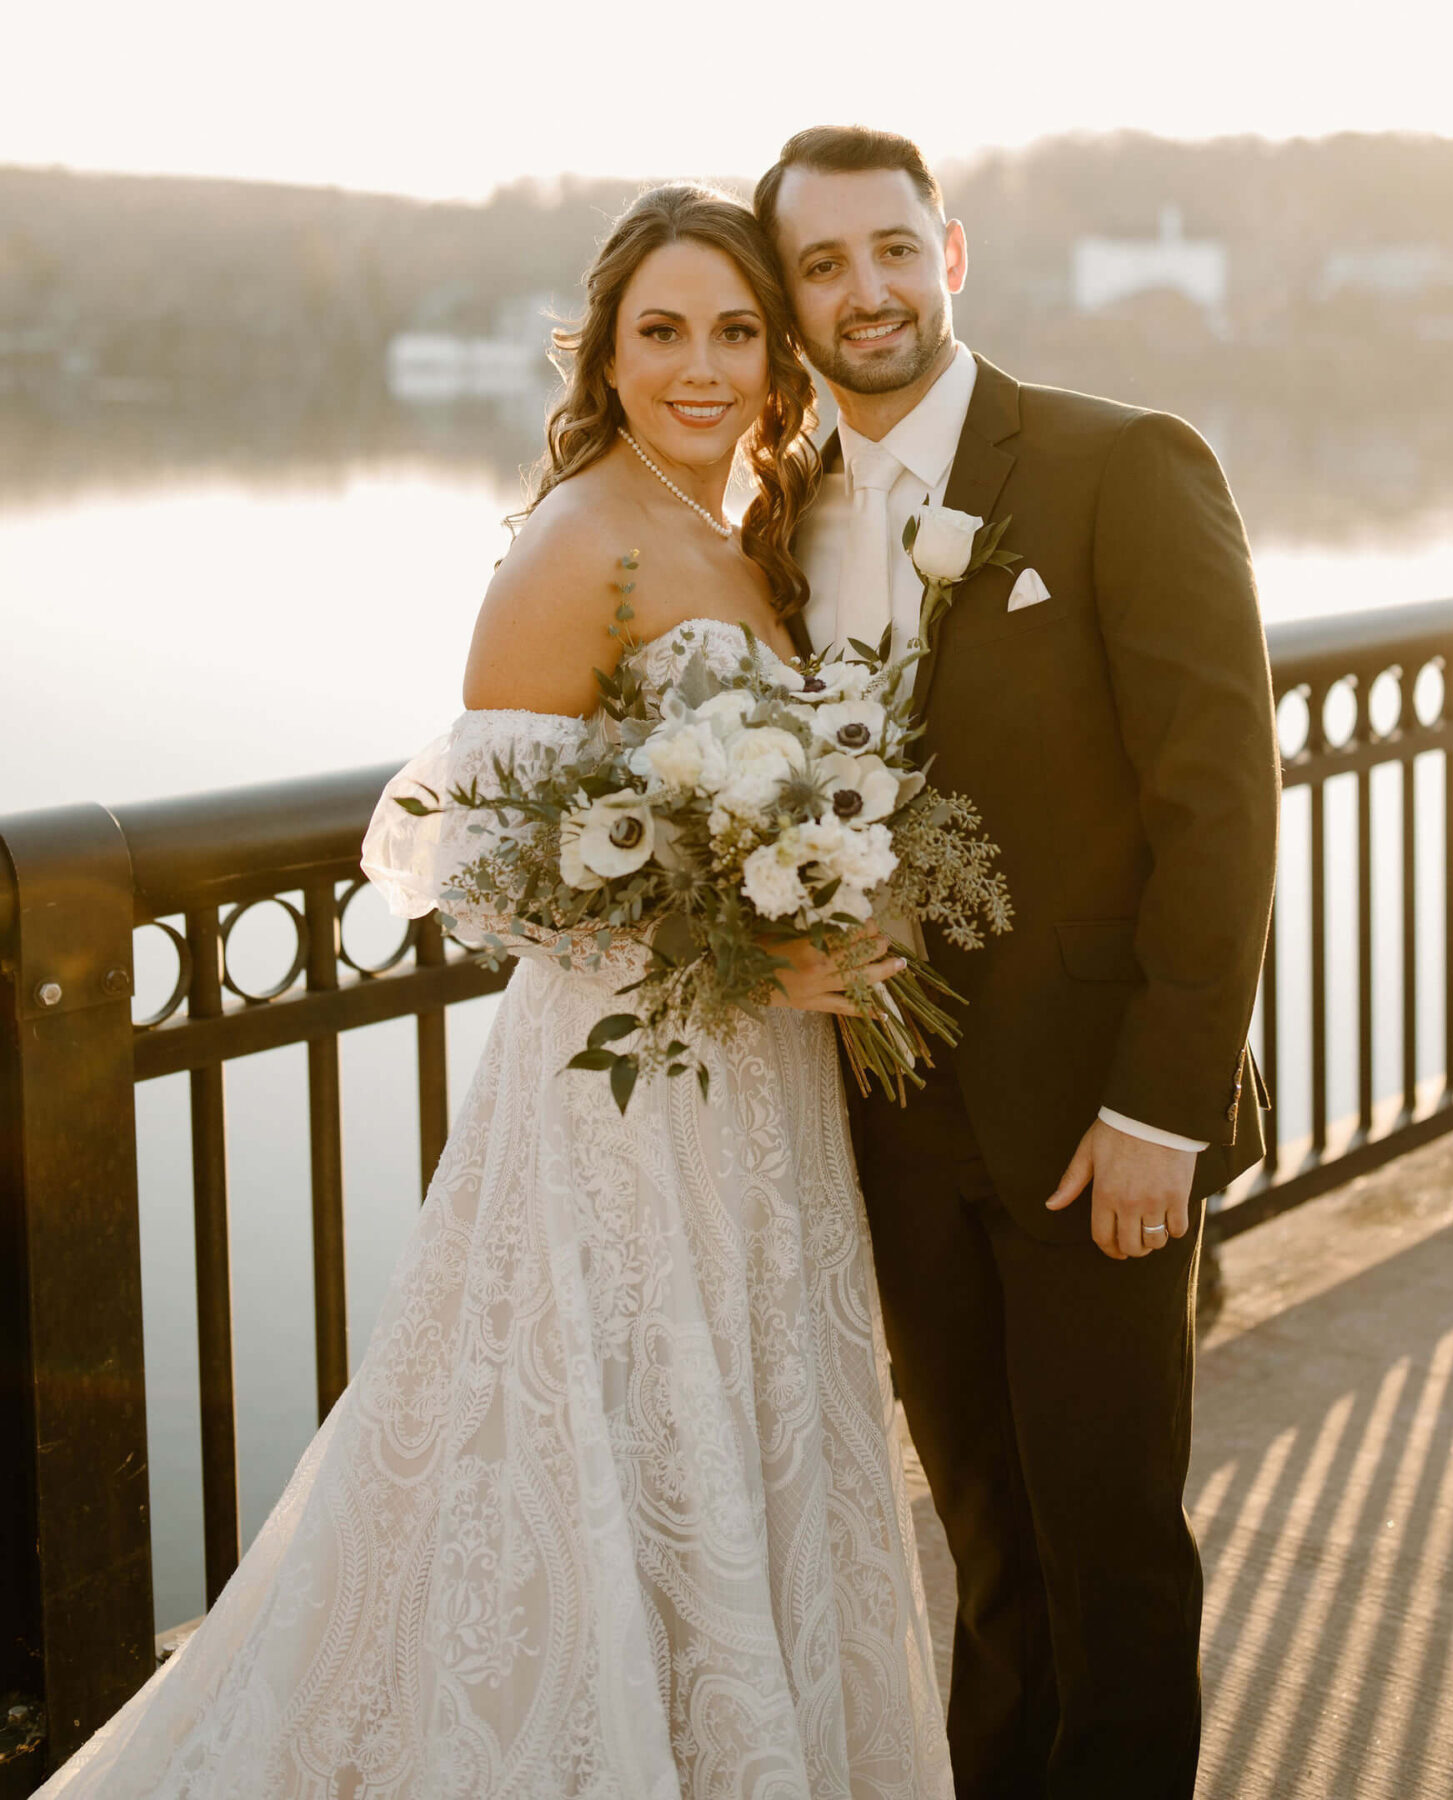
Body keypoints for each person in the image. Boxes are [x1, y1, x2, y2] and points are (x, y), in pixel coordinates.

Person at [38, 184, 951, 1800]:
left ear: (776, 350)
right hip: (628, 1096)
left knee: (735, 1435)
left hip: (759, 1089)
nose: (702, 365)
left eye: (735, 331)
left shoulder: (738, 524)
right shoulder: (578, 538)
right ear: (603, 349)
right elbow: (497, 865)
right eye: (661, 330)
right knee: (594, 1440)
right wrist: (749, 941)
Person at [755, 125, 1280, 1800]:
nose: (868, 291)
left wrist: (1163, 1112)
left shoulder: (1121, 464)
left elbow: (1223, 811)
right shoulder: (781, 523)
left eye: (893, 249)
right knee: (987, 1556)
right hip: (896, 1133)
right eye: (824, 265)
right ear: (789, 302)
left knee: (1112, 1557)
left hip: (1093, 1130)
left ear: (953, 254)